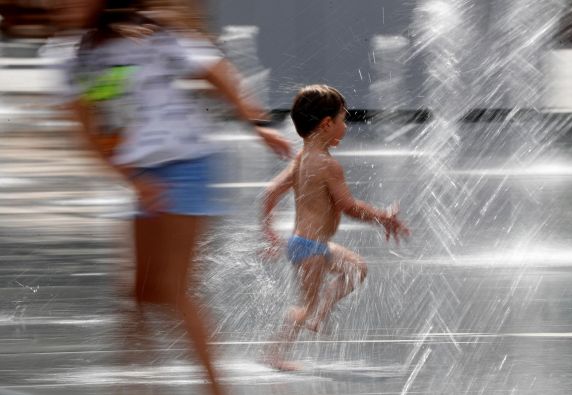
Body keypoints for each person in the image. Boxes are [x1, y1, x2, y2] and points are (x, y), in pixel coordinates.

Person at [59, 1, 291, 394]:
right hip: (144, 173)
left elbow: (216, 71)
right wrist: (131, 177)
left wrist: (256, 123)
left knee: (172, 288)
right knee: (140, 292)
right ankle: (134, 386)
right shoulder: (79, 57)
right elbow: (91, 130)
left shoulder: (151, 37)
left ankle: (216, 389)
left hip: (187, 164)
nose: (60, 7)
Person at [261, 84, 409, 371]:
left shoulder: (301, 159)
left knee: (356, 268)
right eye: (343, 120)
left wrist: (268, 231)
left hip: (310, 245)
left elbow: (270, 192)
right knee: (304, 307)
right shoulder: (328, 165)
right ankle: (275, 353)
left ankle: (320, 312)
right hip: (310, 250)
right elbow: (349, 206)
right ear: (327, 124)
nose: (346, 127)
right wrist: (383, 216)